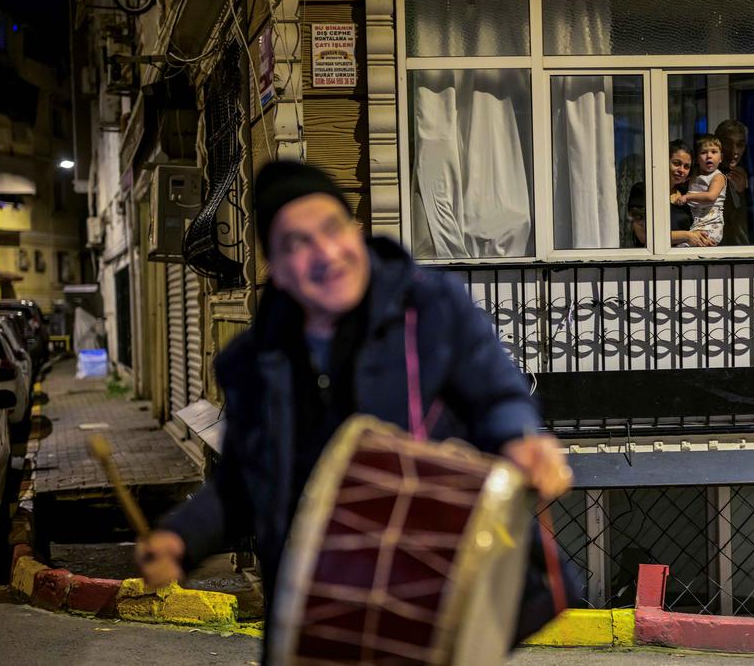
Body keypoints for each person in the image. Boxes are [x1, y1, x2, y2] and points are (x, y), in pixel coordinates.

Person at [135, 161, 576, 657]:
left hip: (425, 601)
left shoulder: (431, 307)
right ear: (274, 268)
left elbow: (497, 395)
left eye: (331, 230)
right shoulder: (252, 364)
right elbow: (243, 483)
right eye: (296, 244)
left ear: (357, 232)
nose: (324, 254)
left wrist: (523, 439)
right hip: (314, 620)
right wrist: (181, 539)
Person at [628, 140, 717, 248]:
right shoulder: (643, 190)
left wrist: (701, 237)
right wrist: (687, 235)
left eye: (686, 166)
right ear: (664, 162)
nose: (681, 170)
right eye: (676, 163)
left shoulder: (686, 196)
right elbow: (644, 236)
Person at [673, 135, 727, 247]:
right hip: (696, 223)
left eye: (714, 152)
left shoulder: (718, 177)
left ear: (721, 157)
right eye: (703, 152)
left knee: (686, 247)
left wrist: (687, 197)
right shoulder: (695, 175)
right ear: (697, 159)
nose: (709, 156)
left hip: (711, 225)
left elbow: (711, 196)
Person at [716, 119, 753, 246]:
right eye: (727, 143)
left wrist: (743, 192)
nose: (734, 151)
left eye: (740, 145)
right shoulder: (706, 175)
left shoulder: (748, 175)